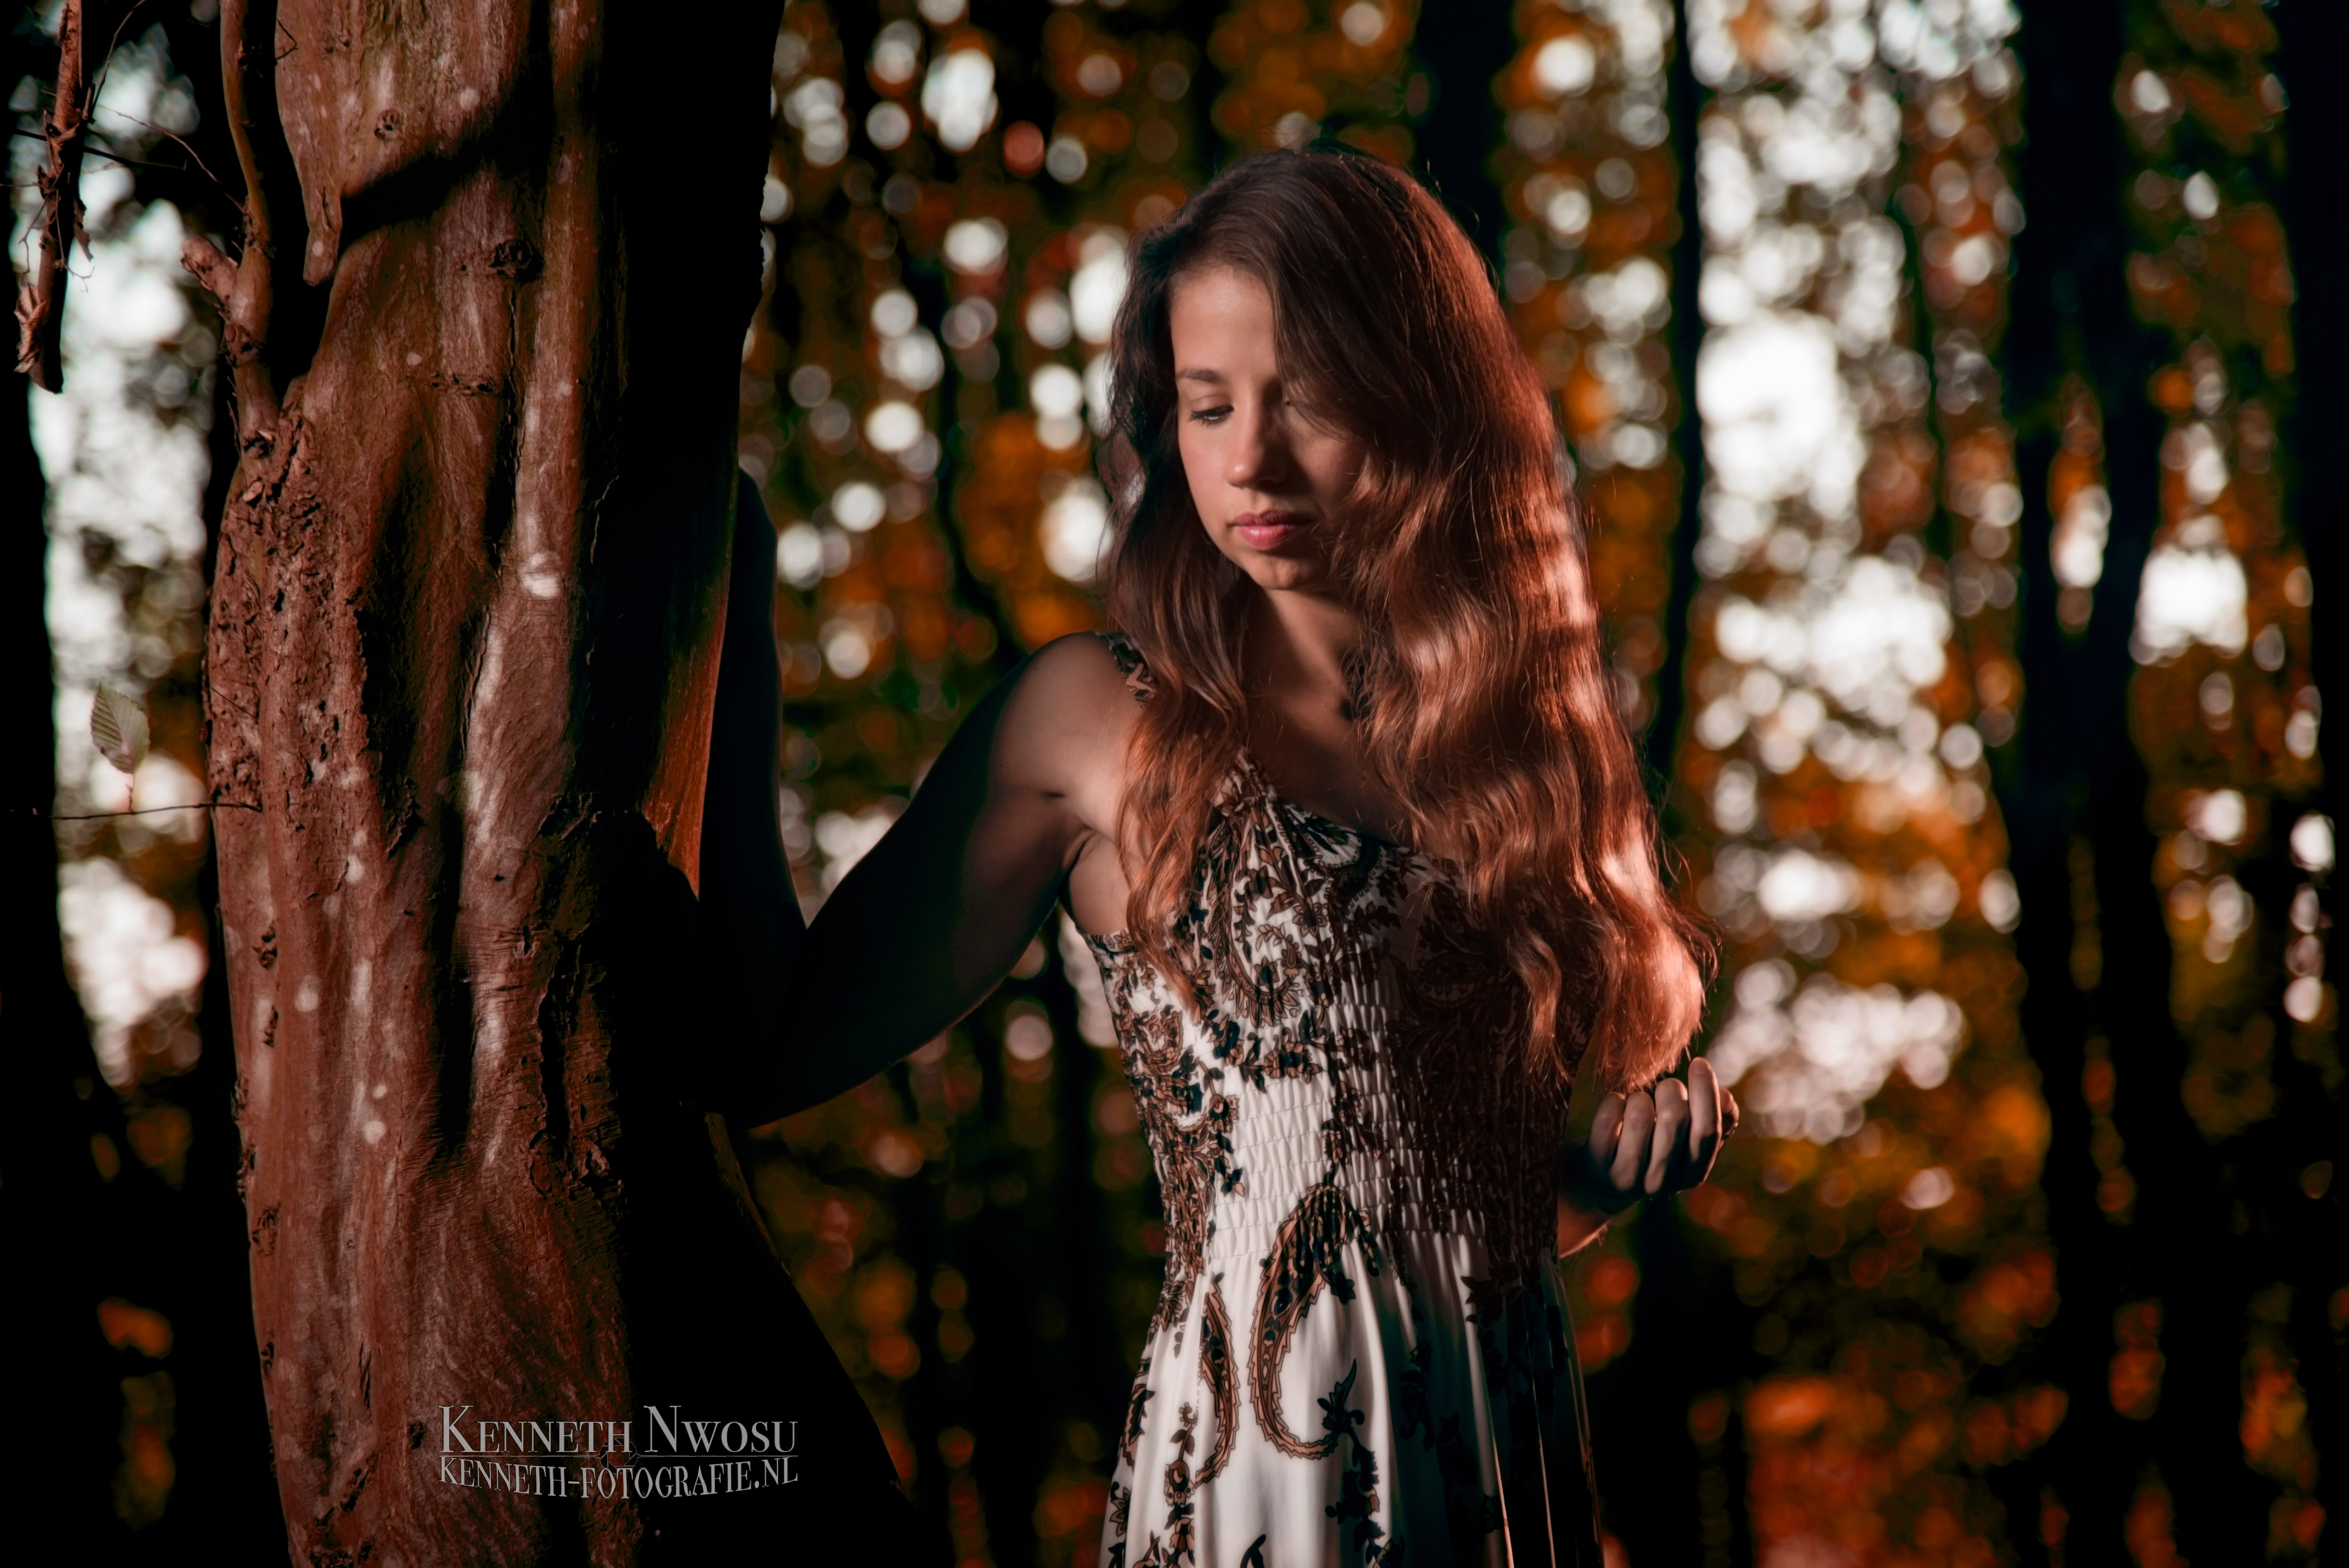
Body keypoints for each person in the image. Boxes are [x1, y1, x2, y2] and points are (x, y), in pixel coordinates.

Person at [703, 146, 1734, 1568]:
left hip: (1507, 1462)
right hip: (1262, 1472)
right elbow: (766, 1049)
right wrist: (730, 645)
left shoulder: (1529, 752)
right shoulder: (1098, 717)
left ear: (1424, 398)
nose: (1250, 456)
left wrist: (1598, 1186)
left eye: (1304, 396)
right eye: (1206, 405)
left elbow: (1425, 1204)